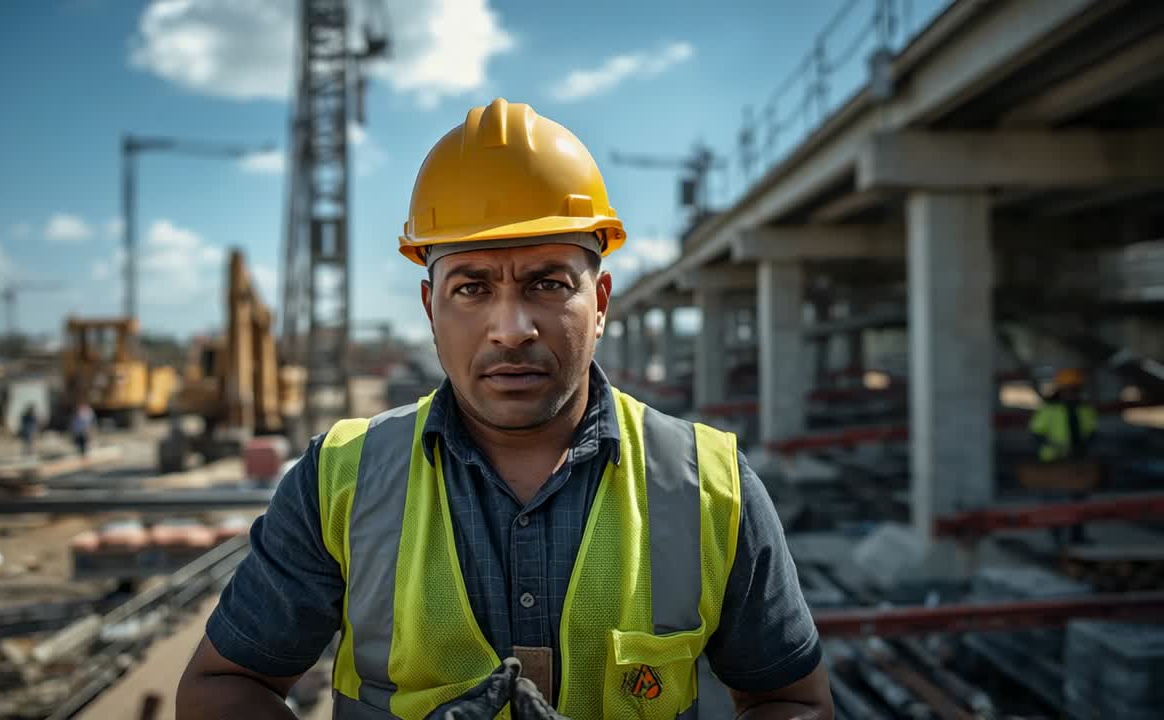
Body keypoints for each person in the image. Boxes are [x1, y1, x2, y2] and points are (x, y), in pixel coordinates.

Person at [177, 99, 831, 719]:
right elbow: (225, 685)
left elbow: (794, 698)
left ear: (600, 302)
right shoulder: (340, 480)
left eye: (547, 283)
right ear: (431, 306)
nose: (511, 327)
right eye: (472, 288)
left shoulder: (710, 486)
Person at [1029, 368, 1097, 463]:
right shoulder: (1049, 409)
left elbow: (1092, 433)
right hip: (1052, 459)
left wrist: (1082, 446)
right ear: (1060, 390)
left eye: (1074, 389)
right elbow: (1036, 434)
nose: (1071, 393)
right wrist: (1055, 446)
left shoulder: (1086, 409)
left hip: (1079, 458)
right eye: (1068, 389)